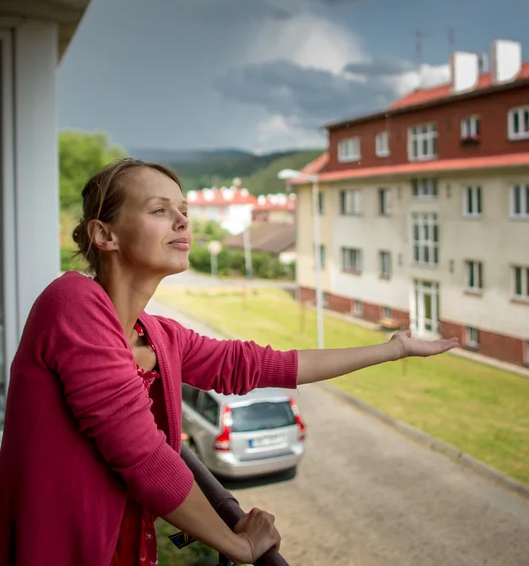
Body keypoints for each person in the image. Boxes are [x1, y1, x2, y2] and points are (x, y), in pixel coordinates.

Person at [0, 158, 458, 566]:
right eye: (160, 210)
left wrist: (393, 349)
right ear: (105, 234)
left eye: (184, 210)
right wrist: (238, 546)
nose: (182, 220)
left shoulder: (158, 335)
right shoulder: (73, 302)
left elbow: (263, 367)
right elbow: (142, 455)